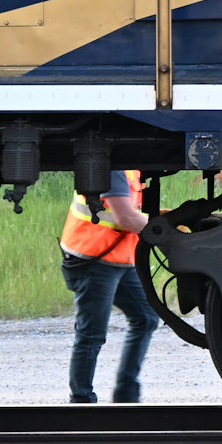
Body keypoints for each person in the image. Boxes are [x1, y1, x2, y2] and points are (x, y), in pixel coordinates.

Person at [59, 169, 156, 403]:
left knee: (146, 317)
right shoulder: (113, 168)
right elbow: (127, 218)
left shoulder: (130, 169)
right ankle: (81, 400)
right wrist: (169, 232)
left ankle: (126, 393)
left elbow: (131, 214)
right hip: (93, 258)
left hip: (117, 257)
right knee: (91, 333)